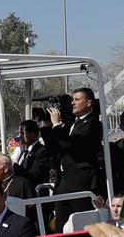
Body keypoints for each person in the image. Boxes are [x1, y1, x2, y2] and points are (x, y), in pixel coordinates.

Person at [42, 88, 102, 229]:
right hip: (64, 181)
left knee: (81, 224)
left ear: (88, 103)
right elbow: (55, 148)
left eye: (77, 99)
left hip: (81, 181)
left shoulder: (93, 124)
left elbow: (72, 146)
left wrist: (57, 125)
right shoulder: (71, 123)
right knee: (61, 224)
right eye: (72, 100)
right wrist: (48, 127)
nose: (72, 103)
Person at [0, 120, 52, 200]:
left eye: (22, 133)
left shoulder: (42, 151)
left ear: (32, 134)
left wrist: (13, 165)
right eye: (19, 133)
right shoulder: (24, 151)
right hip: (19, 193)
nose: (19, 136)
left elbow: (35, 174)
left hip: (33, 195)